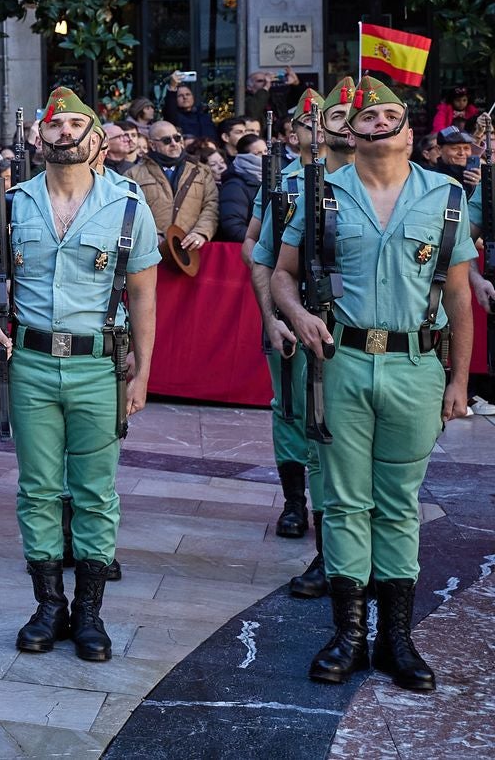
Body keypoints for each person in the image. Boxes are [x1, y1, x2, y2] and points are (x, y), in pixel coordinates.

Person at [272, 76, 474, 693]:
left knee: (398, 505)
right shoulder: (320, 194)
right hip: (343, 360)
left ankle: (396, 638)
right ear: (349, 132)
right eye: (366, 116)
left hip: (416, 365)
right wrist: (297, 314)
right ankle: (348, 635)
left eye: (390, 114)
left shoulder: (444, 197)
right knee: (342, 502)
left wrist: (459, 379)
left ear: (409, 132)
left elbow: (460, 295)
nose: (378, 122)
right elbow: (282, 274)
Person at [0, 87, 160, 662]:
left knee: (95, 492)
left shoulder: (129, 206)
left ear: (97, 140)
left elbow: (145, 299)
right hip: (28, 363)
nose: (64, 133)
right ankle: (49, 604)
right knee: (37, 489)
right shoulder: (12, 203)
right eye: (54, 126)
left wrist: (142, 374)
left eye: (77, 125)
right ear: (38, 137)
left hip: (99, 365)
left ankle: (89, 612)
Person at [243, 85, 331, 599]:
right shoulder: (282, 181)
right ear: (292, 130)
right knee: (289, 407)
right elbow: (256, 243)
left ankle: (331, 523)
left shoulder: (350, 179)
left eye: (325, 122)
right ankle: (295, 502)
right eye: (307, 123)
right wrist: (273, 303)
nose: (316, 131)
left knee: (326, 418)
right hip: (286, 307)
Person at [128, 119, 218, 256]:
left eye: (177, 138)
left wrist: (201, 232)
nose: (174, 144)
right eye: (166, 140)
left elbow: (211, 204)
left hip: (192, 252)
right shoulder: (133, 174)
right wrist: (151, 234)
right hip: (150, 251)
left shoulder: (202, 170)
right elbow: (129, 210)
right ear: (152, 144)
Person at [216, 134, 266, 243]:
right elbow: (233, 227)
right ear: (245, 157)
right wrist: (266, 241)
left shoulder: (272, 179)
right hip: (248, 252)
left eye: (266, 151)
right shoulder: (234, 186)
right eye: (258, 153)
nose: (265, 157)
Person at [162, 75, 215, 140]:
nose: (185, 97)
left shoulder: (204, 115)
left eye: (188, 94)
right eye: (180, 95)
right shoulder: (173, 117)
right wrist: (173, 86)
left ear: (193, 97)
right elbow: (170, 107)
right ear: (175, 99)